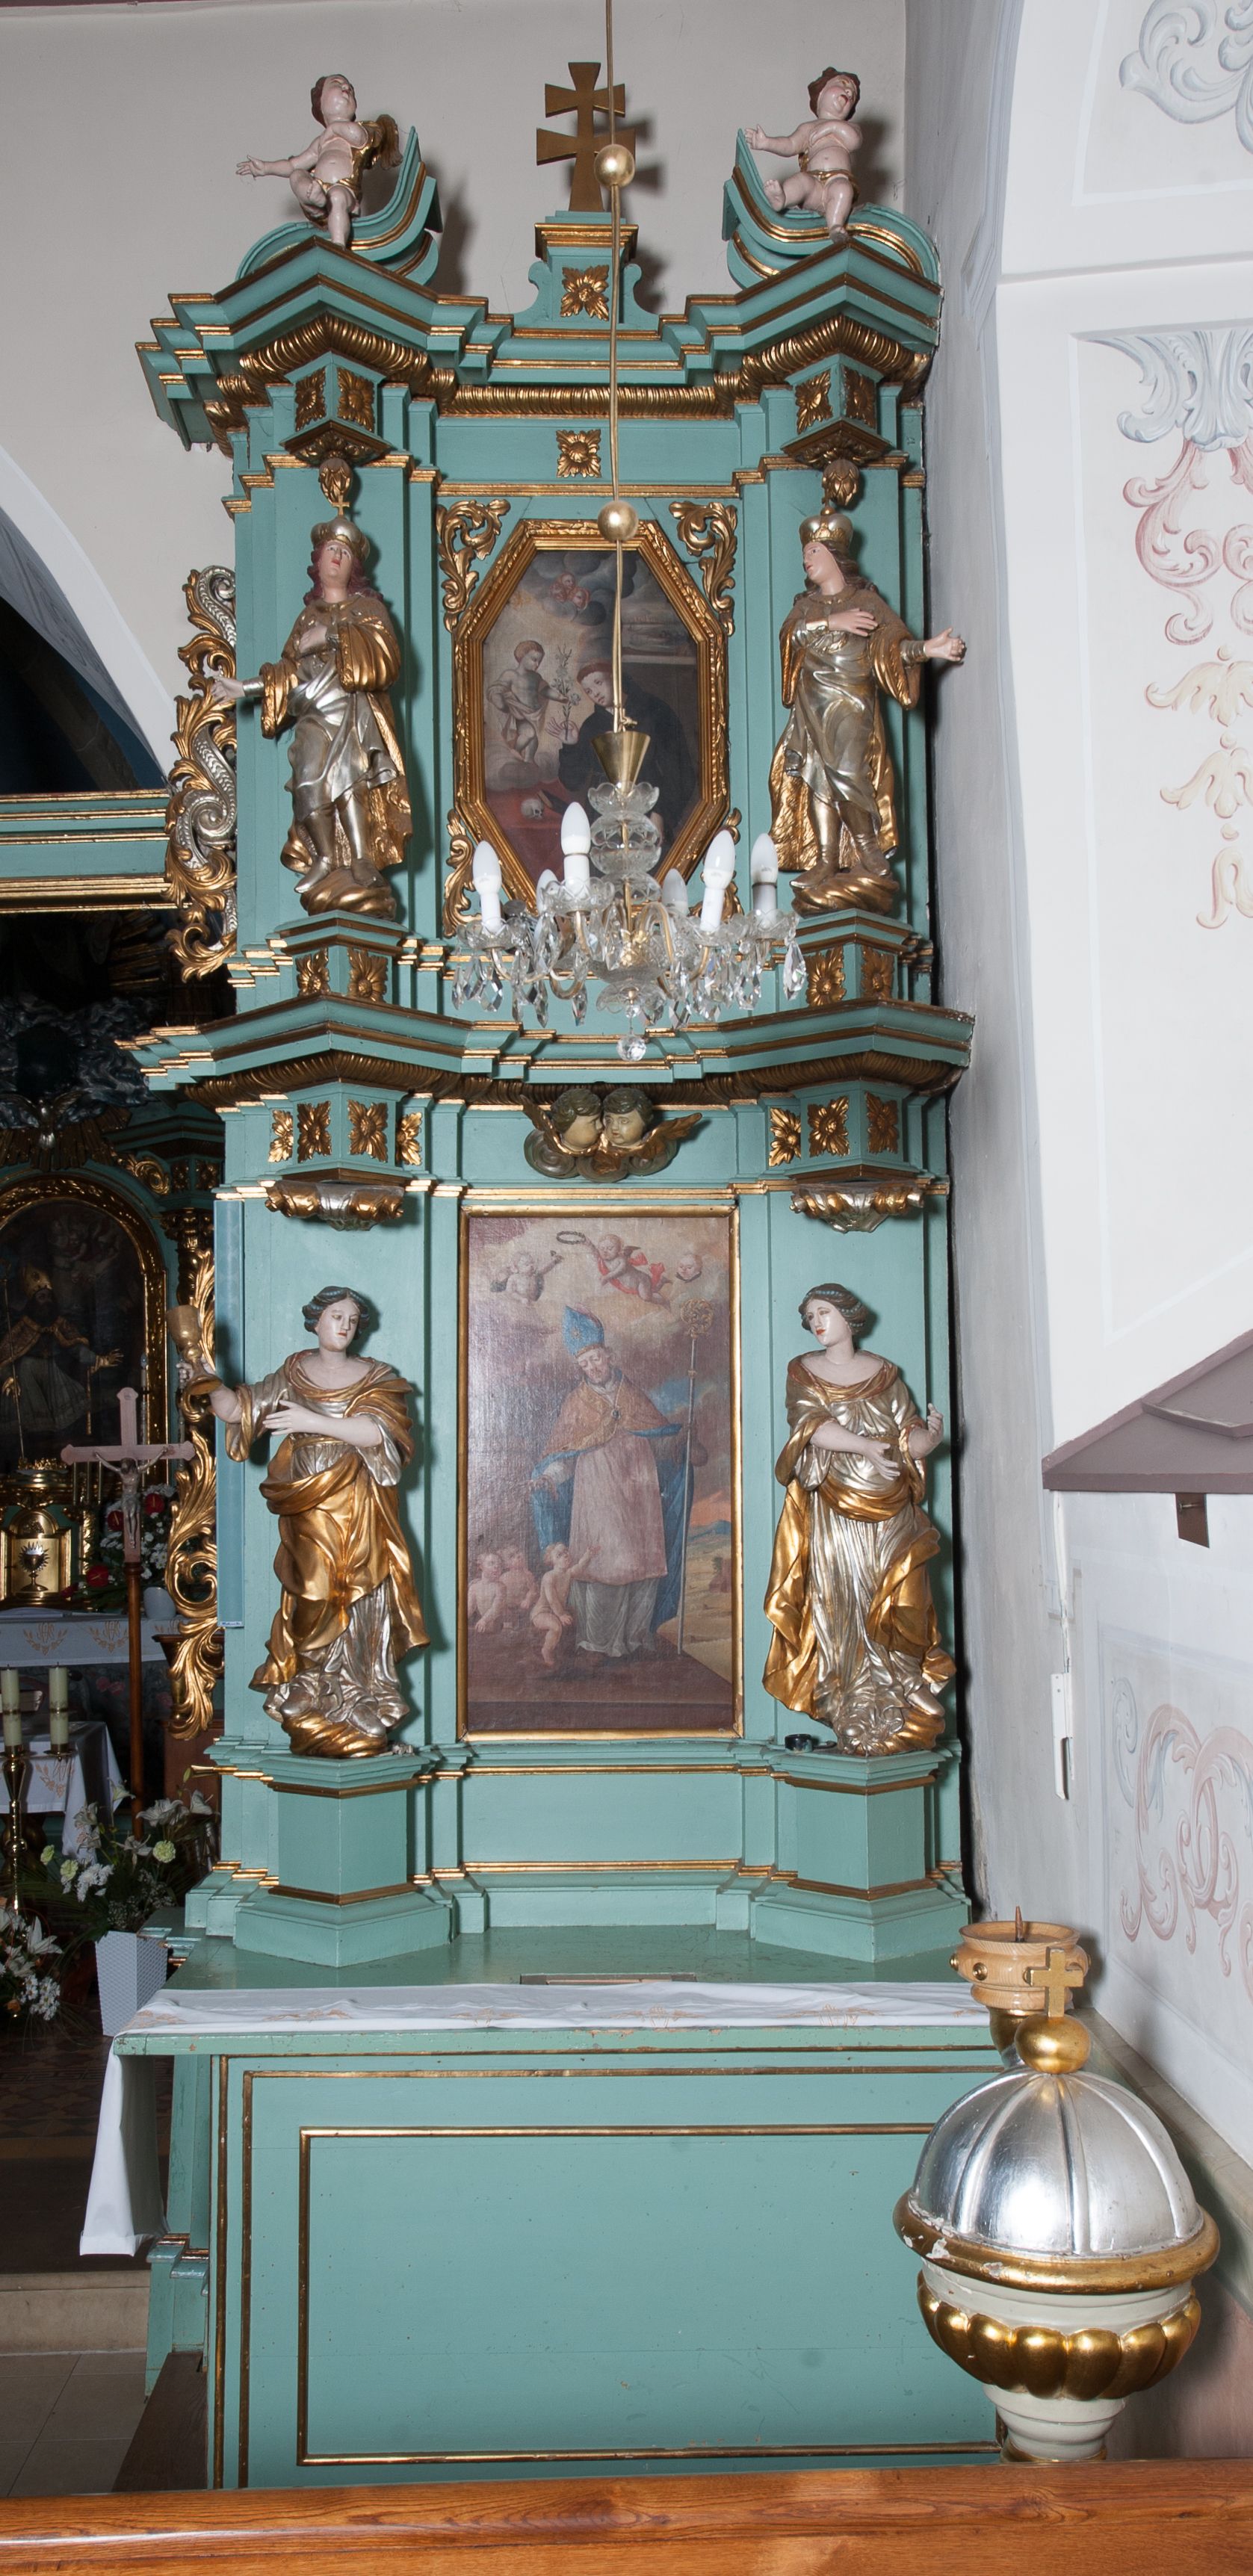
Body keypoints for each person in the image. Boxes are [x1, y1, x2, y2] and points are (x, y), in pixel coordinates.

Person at [192, 1285, 426, 1758]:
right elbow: (237, 1410)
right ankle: (311, 1683)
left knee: (361, 1595)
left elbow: (378, 1433)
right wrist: (206, 1380)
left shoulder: (376, 1376)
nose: (344, 1326)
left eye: (352, 1320)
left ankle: (359, 1693)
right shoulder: (292, 1374)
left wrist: (311, 1421)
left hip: (360, 1503)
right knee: (311, 1592)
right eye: (336, 1316)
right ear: (316, 1321)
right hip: (307, 1507)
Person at [763, 1281, 953, 1756]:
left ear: (849, 1316)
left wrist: (929, 1440)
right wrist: (865, 1446)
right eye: (811, 1317)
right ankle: (854, 1703)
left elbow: (907, 1435)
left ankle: (903, 1688)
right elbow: (810, 1427)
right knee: (842, 1603)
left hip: (891, 1508)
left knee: (900, 1592)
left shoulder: (885, 1375)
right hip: (835, 1509)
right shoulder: (804, 1372)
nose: (817, 1323)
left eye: (824, 1312)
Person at [212, 490, 410, 918]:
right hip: (315, 714)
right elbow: (288, 672)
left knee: (351, 780)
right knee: (307, 784)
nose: (337, 557)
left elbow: (386, 658)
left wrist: (334, 635)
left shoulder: (368, 609)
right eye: (331, 550)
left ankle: (361, 858)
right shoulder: (306, 617)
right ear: (318, 562)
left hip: (353, 712)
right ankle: (324, 856)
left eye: (345, 552)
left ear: (354, 567)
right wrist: (244, 688)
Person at [768, 507, 964, 913]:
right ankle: (825, 860)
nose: (807, 559)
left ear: (835, 555)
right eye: (805, 553)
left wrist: (929, 649)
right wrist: (831, 621)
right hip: (811, 704)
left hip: (852, 702)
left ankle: (868, 850)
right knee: (818, 777)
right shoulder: (805, 606)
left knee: (848, 774)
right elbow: (790, 637)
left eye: (814, 551)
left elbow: (891, 647)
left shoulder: (866, 601)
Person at [530, 1308, 689, 1667]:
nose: (593, 1367)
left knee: (641, 1560)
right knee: (605, 1561)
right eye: (585, 1363)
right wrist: (549, 1477)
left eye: (596, 1358)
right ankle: (599, 1642)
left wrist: (680, 1443)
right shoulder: (576, 1403)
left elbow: (659, 1438)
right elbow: (565, 1453)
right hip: (598, 1489)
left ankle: (635, 1637)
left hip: (640, 1488)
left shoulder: (632, 1394)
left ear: (609, 1356)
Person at [237, 75, 400, 252]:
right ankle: (314, 200)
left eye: (350, 89)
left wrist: (334, 128)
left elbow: (358, 137)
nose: (346, 88)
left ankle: (338, 246)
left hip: (345, 189)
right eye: (337, 84)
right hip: (319, 190)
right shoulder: (321, 142)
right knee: (297, 175)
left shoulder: (360, 128)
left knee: (337, 196)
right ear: (320, 104)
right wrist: (266, 168)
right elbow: (293, 165)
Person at [557, 652, 696, 854]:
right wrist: (570, 746)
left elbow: (680, 771)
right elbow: (573, 781)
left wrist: (661, 814)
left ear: (614, 677)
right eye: (588, 690)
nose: (595, 693)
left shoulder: (654, 711)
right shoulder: (591, 726)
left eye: (598, 683)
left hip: (648, 811)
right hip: (605, 820)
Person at [0, 1268, 121, 1462]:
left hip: (52, 1374)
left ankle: (55, 1454)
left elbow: (76, 1349)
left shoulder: (58, 1323)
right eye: (41, 1297)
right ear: (33, 1301)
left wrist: (99, 1360)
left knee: (65, 1419)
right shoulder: (22, 1328)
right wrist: (9, 1378)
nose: (47, 1301)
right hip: (27, 1377)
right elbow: (5, 1357)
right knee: (35, 1423)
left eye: (49, 1296)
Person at [746, 68, 863, 238]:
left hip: (838, 179)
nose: (848, 92)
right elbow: (790, 144)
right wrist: (767, 143)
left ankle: (835, 226)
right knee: (801, 181)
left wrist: (830, 127)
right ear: (821, 92)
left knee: (843, 190)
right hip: (814, 182)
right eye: (843, 85)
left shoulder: (850, 127)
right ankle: (782, 198)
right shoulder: (808, 128)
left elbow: (854, 141)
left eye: (852, 95)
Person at [530, 1541, 595, 1667]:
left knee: (577, 1618)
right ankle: (546, 1651)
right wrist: (560, 1615)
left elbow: (580, 1567)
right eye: (559, 1555)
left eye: (566, 1552)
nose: (565, 1555)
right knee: (556, 1627)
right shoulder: (549, 1577)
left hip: (557, 1611)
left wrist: (588, 1555)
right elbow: (552, 1599)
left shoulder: (568, 1573)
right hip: (542, 1613)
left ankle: (571, 1653)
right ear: (552, 1561)